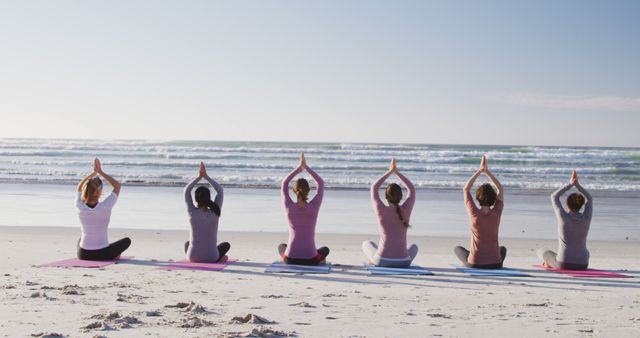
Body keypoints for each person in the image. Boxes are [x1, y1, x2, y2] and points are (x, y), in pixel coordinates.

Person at [362, 158, 418, 268]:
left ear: (386, 197)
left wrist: (389, 172)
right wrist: (397, 173)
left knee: (366, 244)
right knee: (414, 247)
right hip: (404, 262)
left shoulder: (380, 209)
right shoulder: (406, 209)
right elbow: (412, 189)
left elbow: (374, 188)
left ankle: (373, 260)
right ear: (401, 197)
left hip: (382, 260)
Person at [454, 155, 507, 269]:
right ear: (494, 198)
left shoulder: (473, 213)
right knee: (503, 249)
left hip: (475, 263)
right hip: (496, 264)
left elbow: (466, 189)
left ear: (478, 198)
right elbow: (501, 189)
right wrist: (487, 172)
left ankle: (472, 257)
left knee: (457, 249)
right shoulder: (497, 212)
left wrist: (479, 171)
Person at [278, 153, 329, 265]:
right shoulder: (314, 206)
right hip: (311, 259)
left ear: (294, 190)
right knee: (325, 249)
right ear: (309, 190)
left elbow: (284, 183)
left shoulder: (288, 206)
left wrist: (299, 168)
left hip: (290, 259)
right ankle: (321, 260)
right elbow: (320, 183)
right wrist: (306, 168)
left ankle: (283, 257)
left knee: (281, 247)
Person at [76, 158, 131, 261]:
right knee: (127, 241)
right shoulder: (106, 205)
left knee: (80, 240)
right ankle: (115, 254)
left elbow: (79, 188)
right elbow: (117, 186)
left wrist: (92, 174)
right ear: (99, 191)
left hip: (83, 254)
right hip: (103, 253)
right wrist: (100, 172)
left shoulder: (79, 205)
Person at [537, 170, 592, 270]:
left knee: (541, 251)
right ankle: (549, 262)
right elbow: (589, 198)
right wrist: (578, 185)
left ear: (567, 205)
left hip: (563, 263)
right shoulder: (586, 218)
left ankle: (547, 263)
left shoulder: (564, 217)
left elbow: (554, 196)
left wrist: (570, 184)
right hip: (583, 264)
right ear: (581, 206)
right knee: (586, 252)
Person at [184, 162, 230, 263]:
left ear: (196, 199)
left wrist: (199, 177)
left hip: (192, 257)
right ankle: (221, 258)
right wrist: (206, 176)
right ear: (209, 198)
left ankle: (220, 257)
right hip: (211, 257)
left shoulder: (192, 212)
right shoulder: (215, 212)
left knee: (187, 244)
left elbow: (187, 190)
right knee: (226, 245)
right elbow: (220, 191)